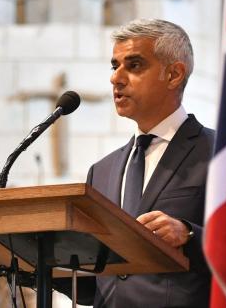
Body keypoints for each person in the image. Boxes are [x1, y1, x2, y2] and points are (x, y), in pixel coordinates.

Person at [62, 18, 214, 307]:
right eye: (114, 65)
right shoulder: (102, 171)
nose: (115, 78)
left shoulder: (217, 153)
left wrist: (190, 233)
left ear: (174, 75)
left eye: (133, 66)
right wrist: (42, 261)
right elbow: (101, 282)